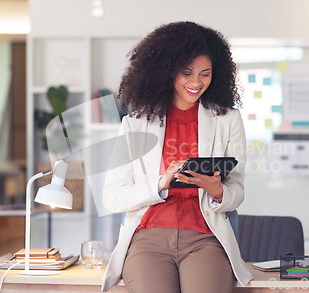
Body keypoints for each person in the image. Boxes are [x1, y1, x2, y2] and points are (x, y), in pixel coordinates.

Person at [101, 21, 253, 293]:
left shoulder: (228, 120)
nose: (196, 82)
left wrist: (218, 191)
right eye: (187, 73)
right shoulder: (135, 124)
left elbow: (237, 191)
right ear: (166, 71)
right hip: (148, 240)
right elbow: (112, 197)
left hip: (205, 237)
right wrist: (161, 182)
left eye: (205, 74)